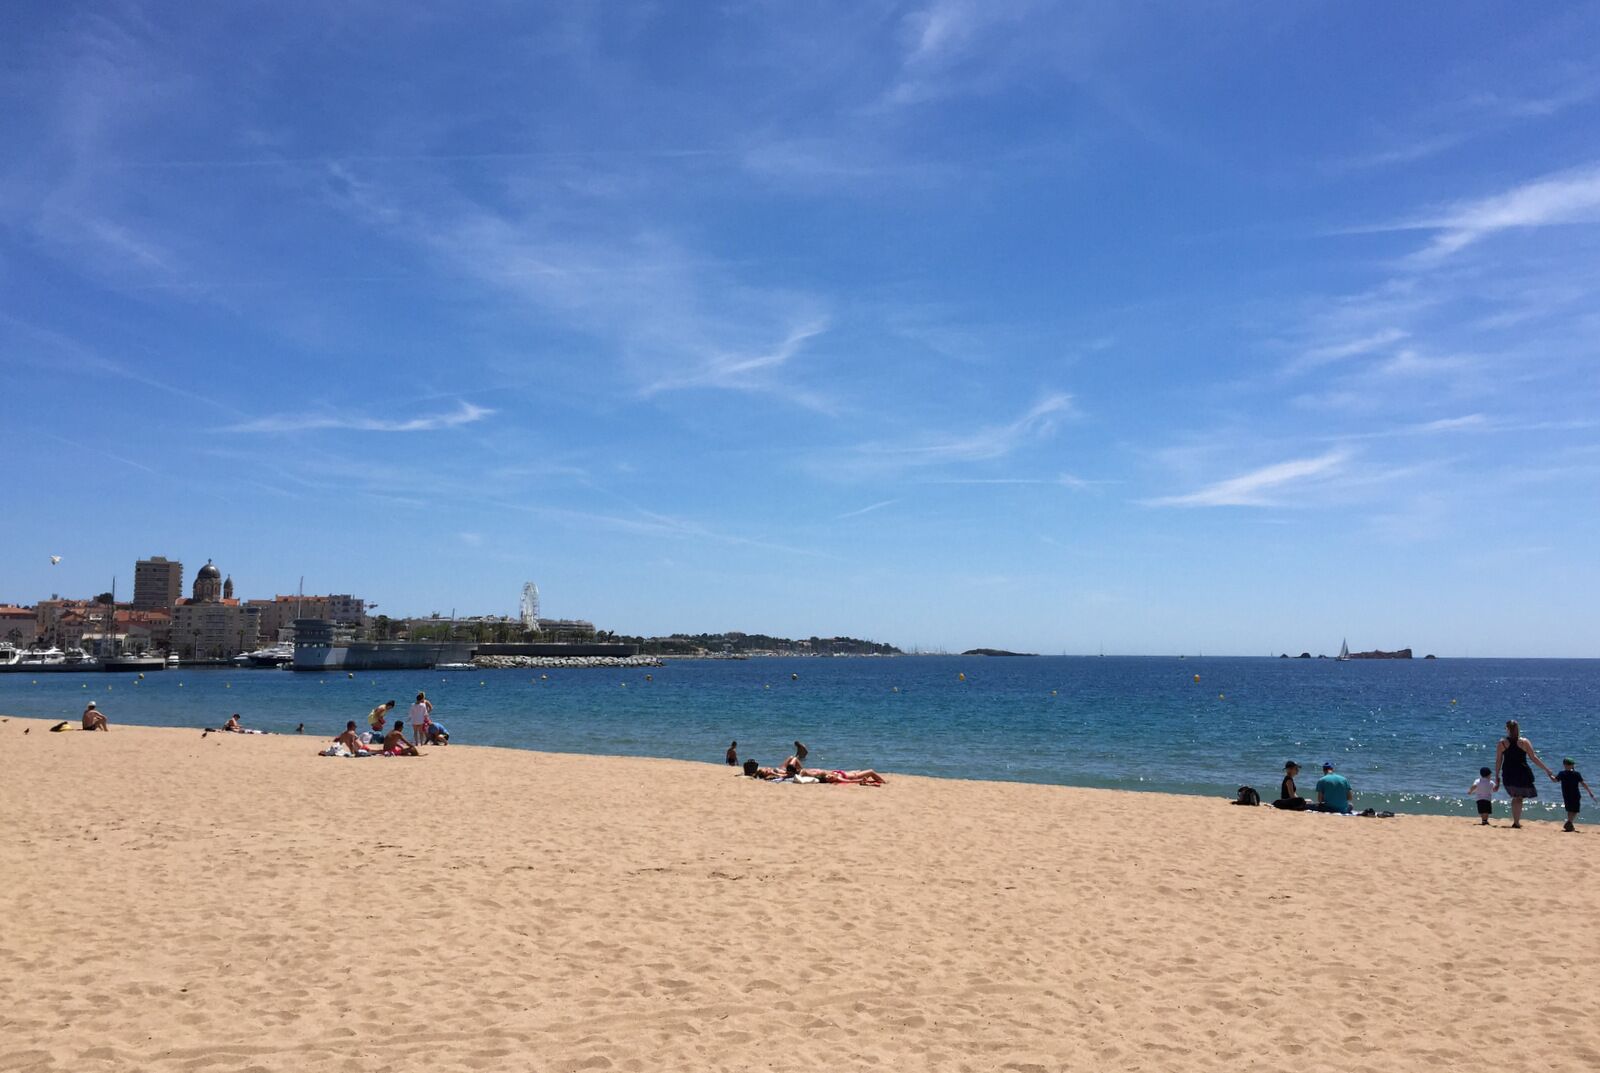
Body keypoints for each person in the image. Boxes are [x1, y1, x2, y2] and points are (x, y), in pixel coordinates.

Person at [1494, 720, 1555, 829]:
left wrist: (1497, 775)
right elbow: (1534, 758)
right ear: (1518, 729)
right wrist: (1547, 769)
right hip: (1522, 772)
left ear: (1507, 729)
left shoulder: (1502, 743)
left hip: (1508, 772)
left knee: (1515, 796)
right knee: (1519, 797)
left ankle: (1516, 821)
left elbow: (1498, 760)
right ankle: (1516, 822)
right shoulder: (1524, 742)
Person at [1553, 758, 1595, 833]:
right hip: (1572, 794)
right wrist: (1549, 774)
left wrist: (1589, 792)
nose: (1567, 766)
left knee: (1571, 809)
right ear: (1564, 765)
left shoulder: (1568, 774)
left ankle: (1569, 824)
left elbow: (1583, 783)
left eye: (1569, 764)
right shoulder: (1569, 774)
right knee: (1573, 810)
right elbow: (1555, 780)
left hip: (1569, 794)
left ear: (1572, 765)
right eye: (1566, 764)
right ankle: (1569, 823)